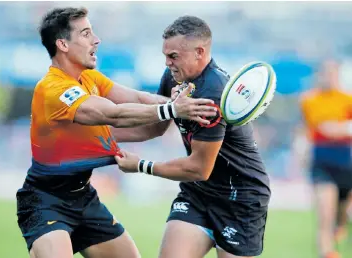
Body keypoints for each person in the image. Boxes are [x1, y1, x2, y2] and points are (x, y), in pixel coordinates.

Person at [16, 7, 218, 258]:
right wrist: (172, 109)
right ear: (63, 44)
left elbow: (138, 98)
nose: (96, 40)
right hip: (45, 201)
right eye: (86, 33)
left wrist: (178, 100)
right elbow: (113, 113)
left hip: (83, 198)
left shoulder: (89, 77)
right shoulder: (52, 88)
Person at [113, 15, 271, 258]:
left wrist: (141, 166)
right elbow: (154, 127)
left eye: (173, 56)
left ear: (199, 52)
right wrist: (103, 136)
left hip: (240, 199)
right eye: (165, 55)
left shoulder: (214, 92)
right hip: (198, 194)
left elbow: (199, 168)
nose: (167, 63)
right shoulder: (174, 77)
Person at [299, 60, 352, 258]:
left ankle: (341, 224)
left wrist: (339, 129)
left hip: (346, 162)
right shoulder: (309, 100)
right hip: (321, 162)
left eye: (332, 73)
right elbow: (306, 129)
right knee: (325, 213)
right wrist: (301, 152)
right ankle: (327, 252)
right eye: (324, 73)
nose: (327, 77)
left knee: (341, 212)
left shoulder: (348, 99)